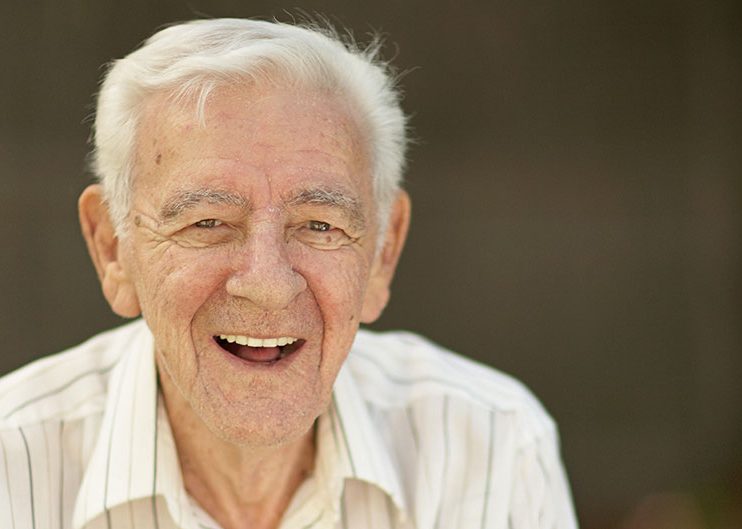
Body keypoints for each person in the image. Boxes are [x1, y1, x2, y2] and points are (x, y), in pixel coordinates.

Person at [0, 18, 578, 529]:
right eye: (207, 223)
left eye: (320, 225)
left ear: (383, 251)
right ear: (111, 248)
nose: (268, 283)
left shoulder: (495, 445)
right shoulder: (13, 466)